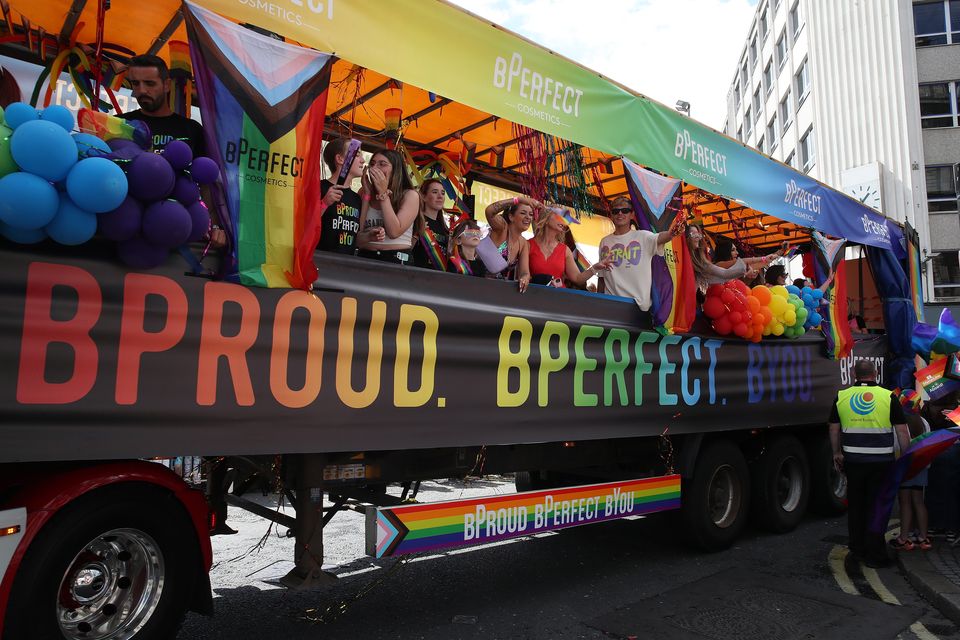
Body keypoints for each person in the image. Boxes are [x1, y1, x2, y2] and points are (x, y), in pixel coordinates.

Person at [829, 360, 910, 567]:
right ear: (875, 373)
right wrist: (905, 457)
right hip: (881, 462)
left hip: (853, 461)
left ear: (855, 374)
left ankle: (857, 550)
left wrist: (837, 452)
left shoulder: (842, 396)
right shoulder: (888, 396)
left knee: (856, 506)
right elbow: (902, 431)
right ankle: (876, 555)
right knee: (877, 507)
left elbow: (834, 429)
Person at [596, 197, 683, 313]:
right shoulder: (604, 241)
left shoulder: (643, 236)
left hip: (637, 306)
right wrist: (598, 301)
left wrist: (671, 233)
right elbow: (602, 277)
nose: (620, 213)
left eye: (625, 210)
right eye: (615, 211)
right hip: (611, 304)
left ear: (632, 214)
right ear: (611, 215)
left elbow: (660, 237)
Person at [121, 54, 205, 154]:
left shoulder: (192, 130)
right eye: (135, 83)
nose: (142, 90)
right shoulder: (120, 124)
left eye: (150, 83)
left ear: (167, 85)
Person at [518, 206, 610, 292]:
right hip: (533, 296)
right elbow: (524, 273)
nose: (564, 220)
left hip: (559, 298)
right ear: (546, 218)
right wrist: (524, 277)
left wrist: (595, 267)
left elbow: (577, 279)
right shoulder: (527, 244)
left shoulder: (565, 250)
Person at [357, 149, 421, 264]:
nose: (375, 168)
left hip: (396, 259)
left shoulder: (410, 195)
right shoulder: (364, 191)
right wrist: (366, 195)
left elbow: (394, 232)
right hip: (365, 257)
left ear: (396, 170)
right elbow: (357, 237)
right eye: (372, 164)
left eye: (382, 164)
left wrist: (383, 194)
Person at [890, 403, 932, 551]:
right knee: (919, 502)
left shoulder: (900, 423)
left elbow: (896, 446)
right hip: (921, 467)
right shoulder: (923, 421)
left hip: (904, 469)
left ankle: (904, 538)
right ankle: (923, 537)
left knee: (905, 503)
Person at [318, 138, 364, 255]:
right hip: (320, 260)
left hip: (346, 265)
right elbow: (303, 224)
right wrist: (324, 203)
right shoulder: (319, 187)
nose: (363, 160)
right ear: (340, 159)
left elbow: (356, 235)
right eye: (357, 154)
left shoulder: (356, 198)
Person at [484, 194, 541, 281]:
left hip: (499, 290)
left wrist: (525, 278)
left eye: (531, 214)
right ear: (511, 216)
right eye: (523, 213)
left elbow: (524, 272)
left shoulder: (523, 243)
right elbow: (489, 211)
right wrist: (518, 200)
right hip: (478, 284)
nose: (528, 217)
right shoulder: (502, 228)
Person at [413, 178, 450, 270]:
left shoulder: (445, 228)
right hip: (418, 275)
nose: (440, 196)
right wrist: (417, 234)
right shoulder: (416, 220)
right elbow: (406, 249)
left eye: (442, 193)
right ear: (423, 196)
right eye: (434, 192)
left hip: (439, 278)